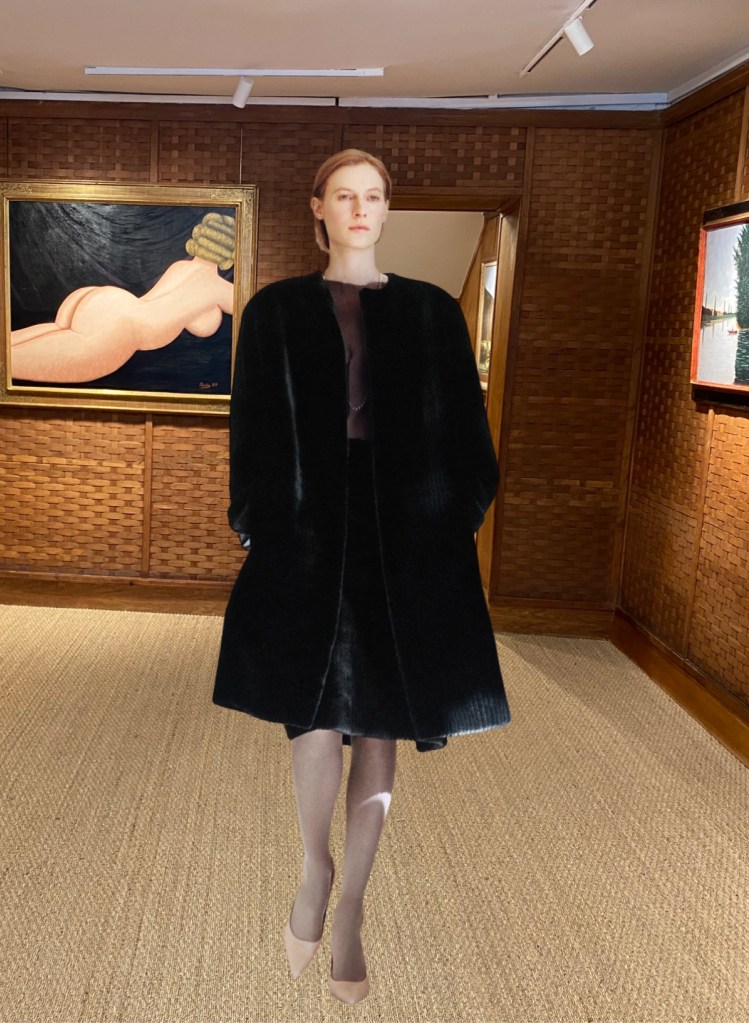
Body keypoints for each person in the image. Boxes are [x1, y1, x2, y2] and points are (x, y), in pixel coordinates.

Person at [212, 150, 511, 1005]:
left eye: (372, 196)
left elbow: (468, 436)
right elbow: (251, 430)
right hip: (306, 533)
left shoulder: (430, 311)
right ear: (317, 206)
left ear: (386, 210)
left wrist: (455, 521)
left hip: (406, 539)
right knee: (310, 710)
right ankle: (314, 870)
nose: (359, 208)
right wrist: (256, 523)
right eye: (343, 195)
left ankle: (350, 909)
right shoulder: (274, 311)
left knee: (380, 717)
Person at [9, 213, 235, 383]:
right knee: (8, 365)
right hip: (121, 327)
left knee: (3, 353)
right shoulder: (220, 289)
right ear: (230, 255)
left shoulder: (180, 267)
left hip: (110, 302)